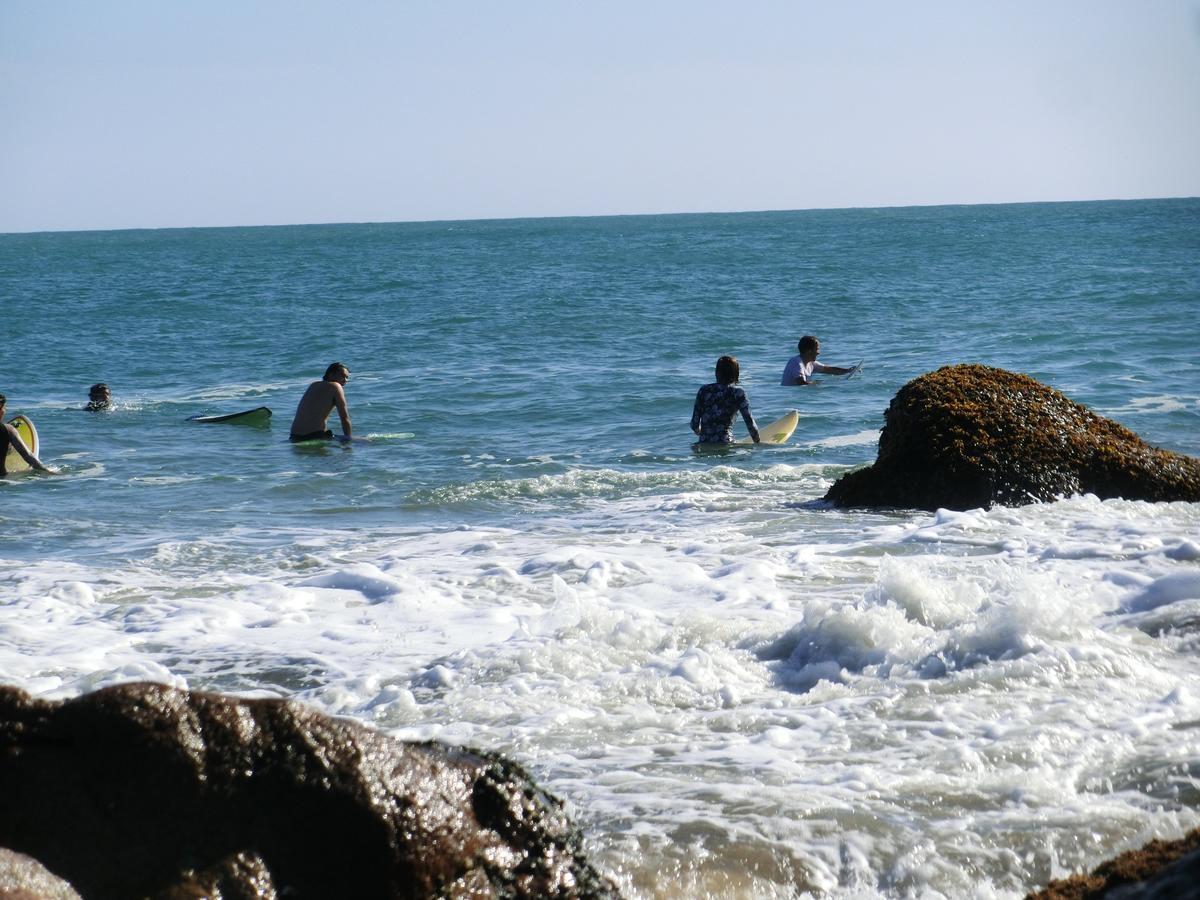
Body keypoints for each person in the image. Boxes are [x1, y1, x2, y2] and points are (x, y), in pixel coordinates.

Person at [691, 355, 760, 444]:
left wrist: (701, 433)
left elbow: (694, 424)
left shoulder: (704, 390)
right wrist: (758, 443)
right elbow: (749, 423)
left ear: (717, 372)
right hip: (726, 443)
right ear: (736, 373)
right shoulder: (738, 393)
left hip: (704, 443)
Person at [289, 362, 352, 442]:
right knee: (365, 441)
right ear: (331, 374)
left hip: (294, 436)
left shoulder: (313, 385)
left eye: (347, 377)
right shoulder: (336, 386)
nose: (345, 380)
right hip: (314, 436)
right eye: (342, 376)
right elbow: (344, 418)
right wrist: (348, 440)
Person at [0, 393, 53, 475]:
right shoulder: (8, 430)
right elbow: (29, 457)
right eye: (5, 407)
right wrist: (49, 473)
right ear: (1, 409)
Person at [780, 335, 856, 385]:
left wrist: (848, 371)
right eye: (817, 349)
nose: (819, 353)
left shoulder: (811, 363)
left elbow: (829, 369)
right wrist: (821, 383)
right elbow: (801, 383)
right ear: (809, 351)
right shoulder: (796, 363)